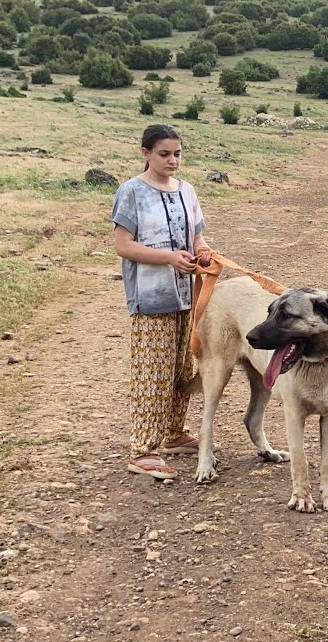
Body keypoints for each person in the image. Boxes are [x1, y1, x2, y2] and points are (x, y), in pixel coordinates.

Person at [111, 123, 213, 480]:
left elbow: (197, 235)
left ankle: (173, 434)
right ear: (145, 154)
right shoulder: (131, 192)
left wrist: (201, 253)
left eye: (177, 154)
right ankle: (142, 449)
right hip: (151, 297)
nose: (173, 161)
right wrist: (170, 257)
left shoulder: (187, 191)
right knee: (152, 374)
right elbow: (124, 245)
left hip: (187, 295)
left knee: (183, 368)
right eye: (164, 154)